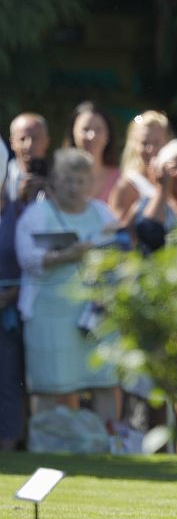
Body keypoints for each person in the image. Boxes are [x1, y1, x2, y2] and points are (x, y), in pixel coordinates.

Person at [15, 148, 120, 421]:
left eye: (80, 181)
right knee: (48, 385)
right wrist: (66, 256)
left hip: (95, 315)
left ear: (90, 183)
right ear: (54, 181)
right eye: (67, 180)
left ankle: (107, 447)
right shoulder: (36, 215)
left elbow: (120, 257)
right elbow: (27, 258)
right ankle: (47, 445)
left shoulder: (103, 214)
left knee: (104, 381)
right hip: (48, 315)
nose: (74, 187)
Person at [0, 161, 46, 449]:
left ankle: (8, 451)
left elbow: (30, 259)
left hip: (11, 311)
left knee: (9, 384)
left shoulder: (18, 212)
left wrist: (10, 295)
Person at [109, 110, 172, 222]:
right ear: (135, 145)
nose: (151, 149)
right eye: (144, 143)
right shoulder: (127, 185)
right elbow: (119, 232)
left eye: (157, 142)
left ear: (167, 141)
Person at [63, 101, 119, 203]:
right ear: (73, 134)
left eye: (98, 130)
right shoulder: (59, 179)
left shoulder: (120, 181)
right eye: (85, 129)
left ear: (108, 136)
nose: (91, 136)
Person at [3, 113, 49, 211]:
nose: (28, 145)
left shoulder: (60, 177)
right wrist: (17, 200)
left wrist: (50, 192)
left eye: (35, 139)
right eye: (22, 139)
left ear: (46, 141)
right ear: (12, 143)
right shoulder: (3, 178)